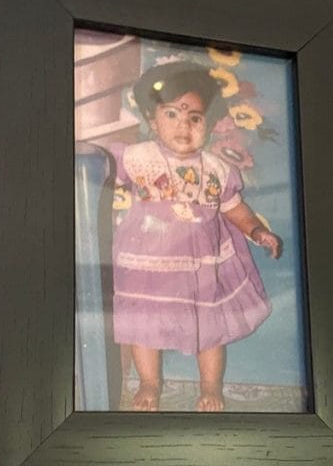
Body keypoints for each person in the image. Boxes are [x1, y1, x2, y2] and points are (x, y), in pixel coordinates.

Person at [110, 62, 281, 412]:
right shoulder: (136, 157)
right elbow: (97, 171)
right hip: (147, 266)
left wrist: (257, 230)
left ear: (209, 124)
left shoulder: (218, 170)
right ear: (152, 119)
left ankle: (210, 386)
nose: (183, 126)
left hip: (202, 269)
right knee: (144, 327)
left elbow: (234, 208)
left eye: (194, 118)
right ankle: (149, 383)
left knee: (211, 329)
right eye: (171, 114)